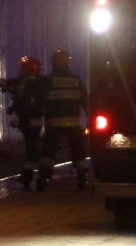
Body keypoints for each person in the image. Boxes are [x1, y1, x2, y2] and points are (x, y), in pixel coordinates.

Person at [0, 55, 45, 188]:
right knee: (34, 151)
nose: (21, 70)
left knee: (34, 151)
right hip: (34, 122)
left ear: (31, 69)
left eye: (23, 68)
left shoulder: (24, 83)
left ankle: (30, 177)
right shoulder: (41, 83)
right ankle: (32, 176)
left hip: (31, 122)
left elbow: (4, 84)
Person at [36, 48, 89, 191]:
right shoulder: (76, 80)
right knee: (78, 150)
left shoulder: (47, 81)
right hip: (73, 123)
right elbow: (85, 101)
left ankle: (44, 178)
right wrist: (89, 117)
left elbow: (39, 101)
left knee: (48, 152)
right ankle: (83, 178)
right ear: (68, 62)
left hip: (53, 123)